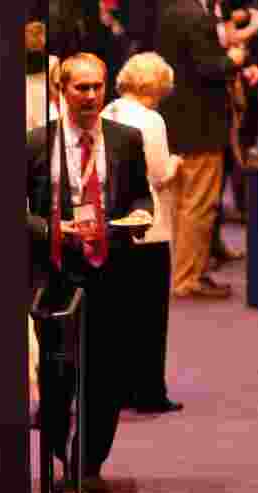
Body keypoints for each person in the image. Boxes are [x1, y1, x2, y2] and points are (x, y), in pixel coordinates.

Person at [26, 53, 154, 493]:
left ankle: (89, 462)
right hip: (58, 275)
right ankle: (60, 454)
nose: (91, 95)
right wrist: (50, 229)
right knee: (57, 374)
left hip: (112, 273)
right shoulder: (36, 143)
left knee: (106, 374)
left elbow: (142, 196)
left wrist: (141, 215)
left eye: (97, 86)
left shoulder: (126, 139)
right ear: (63, 91)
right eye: (81, 87)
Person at [157, 0, 258, 298]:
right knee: (199, 205)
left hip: (180, 122)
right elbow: (207, 67)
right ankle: (188, 278)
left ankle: (186, 272)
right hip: (202, 126)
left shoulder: (171, 11)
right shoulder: (197, 16)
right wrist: (233, 59)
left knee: (183, 205)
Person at [101, 52, 185, 414]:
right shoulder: (152, 121)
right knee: (150, 316)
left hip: (113, 224)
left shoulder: (107, 112)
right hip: (148, 227)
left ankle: (116, 388)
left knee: (117, 313)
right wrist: (176, 166)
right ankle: (149, 391)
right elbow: (156, 173)